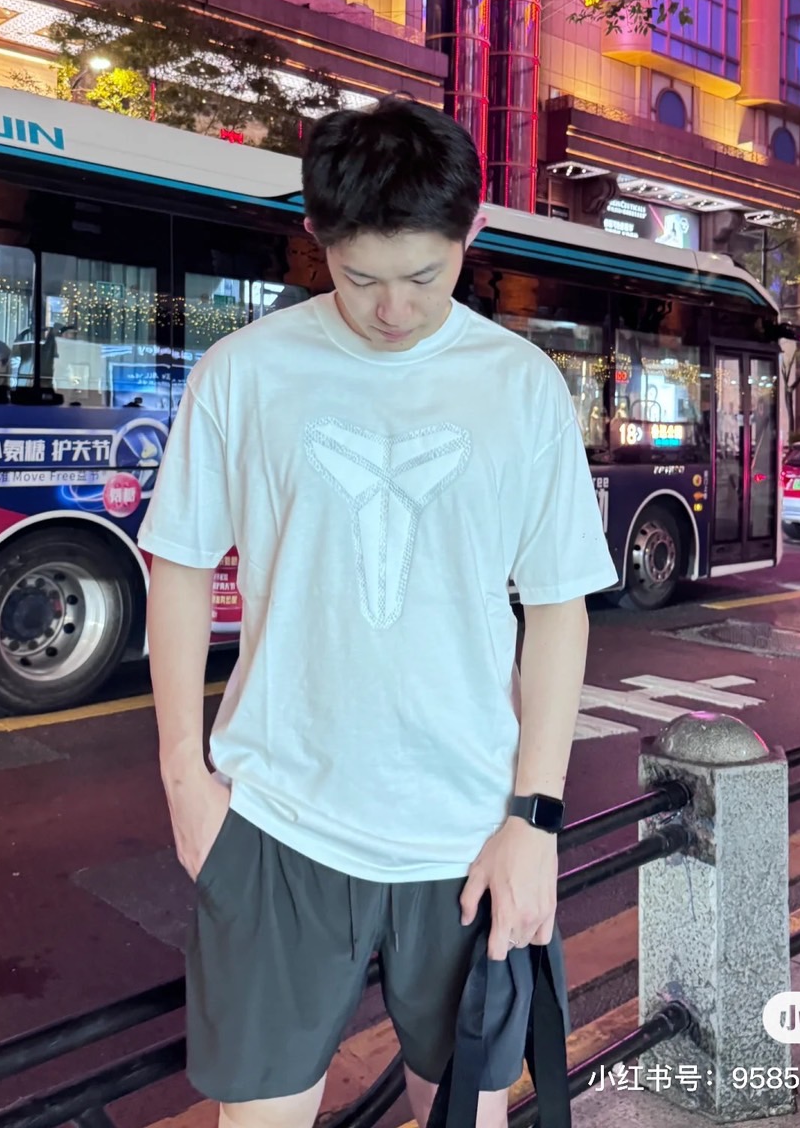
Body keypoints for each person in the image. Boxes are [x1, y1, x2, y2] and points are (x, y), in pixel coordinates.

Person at [138, 99, 617, 1128]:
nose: (393, 309)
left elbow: (558, 607)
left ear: (472, 233)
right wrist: (183, 775)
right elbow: (176, 564)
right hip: (277, 823)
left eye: (425, 276)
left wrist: (535, 818)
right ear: (317, 237)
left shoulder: (521, 386)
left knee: (465, 1114)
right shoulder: (245, 373)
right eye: (361, 279)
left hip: (471, 836)